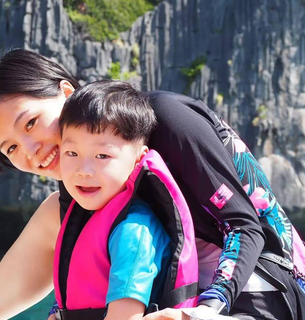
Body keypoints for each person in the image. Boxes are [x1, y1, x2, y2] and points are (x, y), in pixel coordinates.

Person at [0, 48, 305, 320]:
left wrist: (208, 310)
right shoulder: (68, 207)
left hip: (275, 297)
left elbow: (244, 225)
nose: (32, 151)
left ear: (66, 93)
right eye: (11, 148)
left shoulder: (166, 120)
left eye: (30, 124)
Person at [51, 80, 197, 320]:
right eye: (72, 153)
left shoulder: (134, 231)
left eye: (102, 155)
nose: (83, 170)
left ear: (139, 160)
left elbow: (125, 316)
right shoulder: (96, 218)